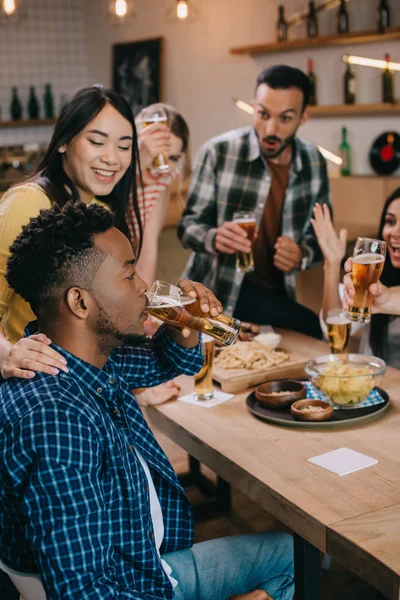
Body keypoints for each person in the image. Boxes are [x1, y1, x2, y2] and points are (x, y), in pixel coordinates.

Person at [0, 201, 294, 600]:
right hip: (137, 588)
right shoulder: (56, 420)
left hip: (144, 566)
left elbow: (164, 360)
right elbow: (85, 594)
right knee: (298, 564)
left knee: (296, 556)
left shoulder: (87, 357)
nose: (143, 286)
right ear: (80, 302)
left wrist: (188, 324)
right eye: (128, 274)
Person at [0, 85, 143, 381]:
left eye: (124, 146)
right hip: (31, 387)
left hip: (79, 385)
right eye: (97, 142)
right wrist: (7, 353)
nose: (112, 158)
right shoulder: (28, 202)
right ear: (64, 141)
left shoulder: (99, 210)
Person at [178, 65, 331, 340]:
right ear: (253, 108)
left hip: (275, 294)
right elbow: (187, 228)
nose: (270, 129)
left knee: (312, 336)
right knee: (309, 328)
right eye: (262, 114)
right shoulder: (217, 152)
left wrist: (302, 254)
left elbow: (323, 242)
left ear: (303, 117)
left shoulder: (313, 162)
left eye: (285, 118)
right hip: (214, 293)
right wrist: (214, 238)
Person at [312, 187, 400, 367]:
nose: (395, 233)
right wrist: (332, 263)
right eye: (390, 221)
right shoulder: (375, 277)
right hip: (375, 386)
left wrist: (387, 299)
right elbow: (333, 323)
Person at [127, 103, 191, 285]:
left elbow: (147, 248)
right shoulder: (109, 176)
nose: (162, 167)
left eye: (173, 158)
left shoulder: (159, 183)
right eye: (156, 153)